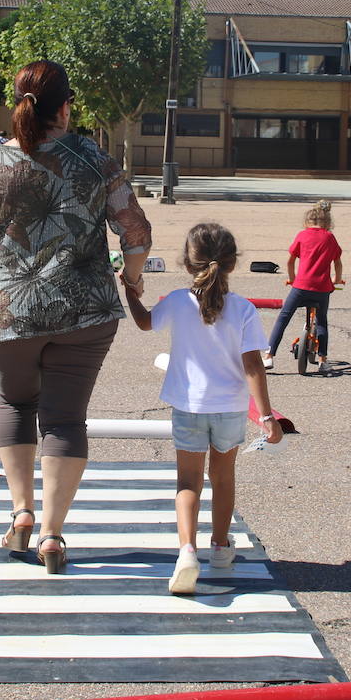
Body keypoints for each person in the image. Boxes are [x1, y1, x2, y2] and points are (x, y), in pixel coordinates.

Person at [0, 60, 151, 574]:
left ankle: (20, 512)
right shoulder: (97, 161)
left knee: (15, 402)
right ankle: (52, 535)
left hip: (9, 311)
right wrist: (132, 280)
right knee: (66, 419)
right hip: (85, 312)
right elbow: (135, 230)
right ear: (66, 107)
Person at [122, 222, 281, 594]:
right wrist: (268, 416)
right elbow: (254, 365)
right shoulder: (243, 308)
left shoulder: (178, 301)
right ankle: (221, 548)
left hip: (189, 405)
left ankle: (187, 551)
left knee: (188, 482)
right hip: (229, 407)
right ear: (231, 263)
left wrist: (129, 290)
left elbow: (146, 324)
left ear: (188, 262)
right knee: (223, 478)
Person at [263, 200, 344, 373]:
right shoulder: (329, 237)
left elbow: (290, 261)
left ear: (307, 222)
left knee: (284, 317)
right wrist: (337, 279)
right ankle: (323, 360)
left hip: (301, 286)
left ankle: (269, 356)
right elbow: (337, 262)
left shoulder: (302, 235)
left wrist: (292, 278)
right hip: (322, 288)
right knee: (322, 322)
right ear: (328, 223)